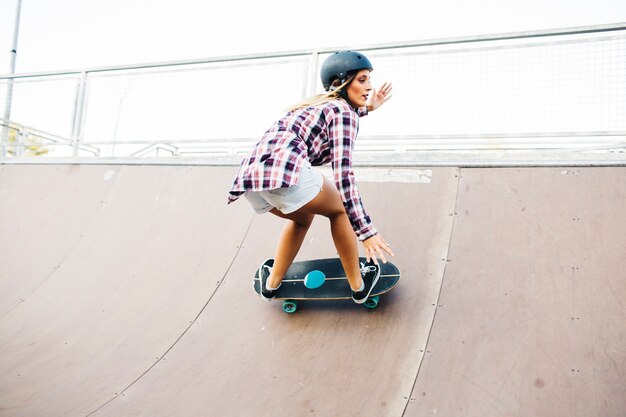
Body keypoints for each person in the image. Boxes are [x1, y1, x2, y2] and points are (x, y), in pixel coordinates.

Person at [227, 50, 394, 304]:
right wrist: (366, 231)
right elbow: (344, 173)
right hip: (286, 172)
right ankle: (359, 287)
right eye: (362, 80)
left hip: (253, 181)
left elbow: (336, 118)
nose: (369, 87)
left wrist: (368, 108)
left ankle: (271, 284)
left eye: (369, 79)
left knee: (302, 218)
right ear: (341, 83)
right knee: (340, 209)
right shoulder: (343, 113)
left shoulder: (318, 106)